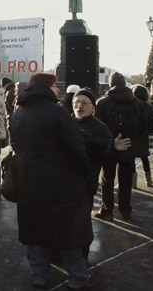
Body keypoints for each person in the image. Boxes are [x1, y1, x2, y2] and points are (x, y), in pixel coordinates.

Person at [10, 72, 95, 289]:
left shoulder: (19, 111)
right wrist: (86, 173)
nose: (58, 90)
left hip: (29, 180)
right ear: (47, 87)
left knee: (36, 229)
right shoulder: (57, 112)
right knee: (66, 229)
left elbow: (15, 144)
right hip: (60, 182)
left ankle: (37, 273)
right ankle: (77, 276)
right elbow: (76, 148)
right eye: (55, 86)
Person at [72, 88, 131, 260]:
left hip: (85, 184)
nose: (80, 106)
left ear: (93, 108)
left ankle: (82, 258)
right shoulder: (66, 122)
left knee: (82, 224)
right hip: (65, 183)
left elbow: (106, 156)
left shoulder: (99, 128)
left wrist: (113, 147)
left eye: (84, 103)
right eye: (77, 102)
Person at [94, 72, 147, 221]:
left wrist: (109, 141)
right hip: (129, 145)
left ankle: (107, 209)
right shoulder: (136, 102)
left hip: (110, 146)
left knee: (107, 178)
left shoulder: (103, 103)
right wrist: (133, 139)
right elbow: (145, 124)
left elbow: (97, 125)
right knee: (125, 179)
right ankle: (125, 209)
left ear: (111, 84)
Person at [131, 85, 153, 187]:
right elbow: (152, 124)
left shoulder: (131, 105)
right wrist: (147, 132)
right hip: (143, 136)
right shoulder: (148, 107)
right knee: (145, 158)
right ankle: (149, 180)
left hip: (132, 136)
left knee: (131, 159)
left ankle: (133, 182)